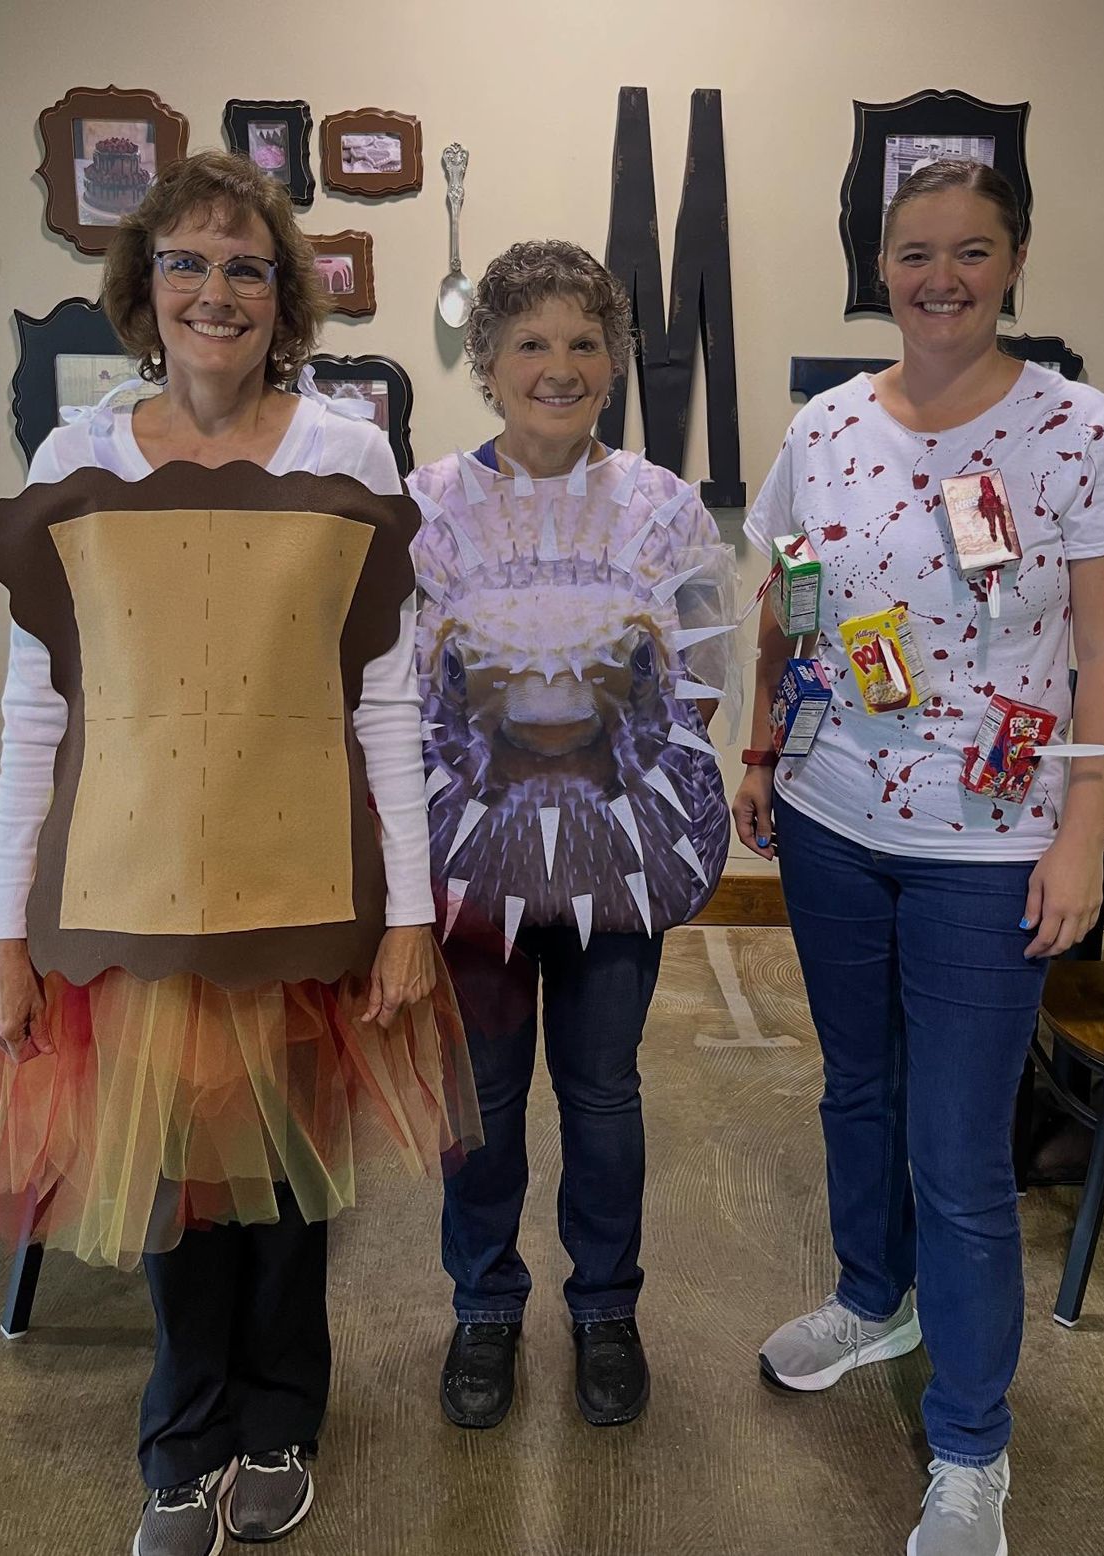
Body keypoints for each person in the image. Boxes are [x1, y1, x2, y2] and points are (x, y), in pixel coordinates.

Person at [0, 151, 479, 1556]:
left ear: (286, 298)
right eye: (188, 264)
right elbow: (40, 705)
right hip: (135, 884)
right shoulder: (80, 460)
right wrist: (2, 930)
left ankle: (279, 1417)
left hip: (304, 880)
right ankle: (181, 1439)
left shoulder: (345, 454)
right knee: (177, 1185)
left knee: (290, 1178)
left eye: (247, 266)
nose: (217, 291)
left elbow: (382, 695)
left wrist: (408, 912)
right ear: (143, 290)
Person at [735, 160, 1104, 1556]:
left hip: (994, 841)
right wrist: (755, 750)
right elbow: (787, 595)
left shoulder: (1079, 431)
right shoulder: (828, 424)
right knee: (858, 1089)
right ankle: (873, 1296)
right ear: (879, 266)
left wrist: (1080, 833)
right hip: (831, 814)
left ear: (1012, 260)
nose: (942, 277)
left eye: (971, 251)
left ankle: (970, 1445)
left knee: (962, 1152)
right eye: (916, 253)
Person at [408, 240, 739, 1430]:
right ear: (486, 363)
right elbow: (397, 688)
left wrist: (644, 803)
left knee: (601, 1091)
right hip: (472, 868)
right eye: (530, 343)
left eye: (583, 342)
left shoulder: (660, 503)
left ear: (613, 359)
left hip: (619, 856)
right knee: (483, 1096)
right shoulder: (427, 503)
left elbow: (699, 675)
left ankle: (606, 1304)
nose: (559, 366)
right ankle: (484, 1306)